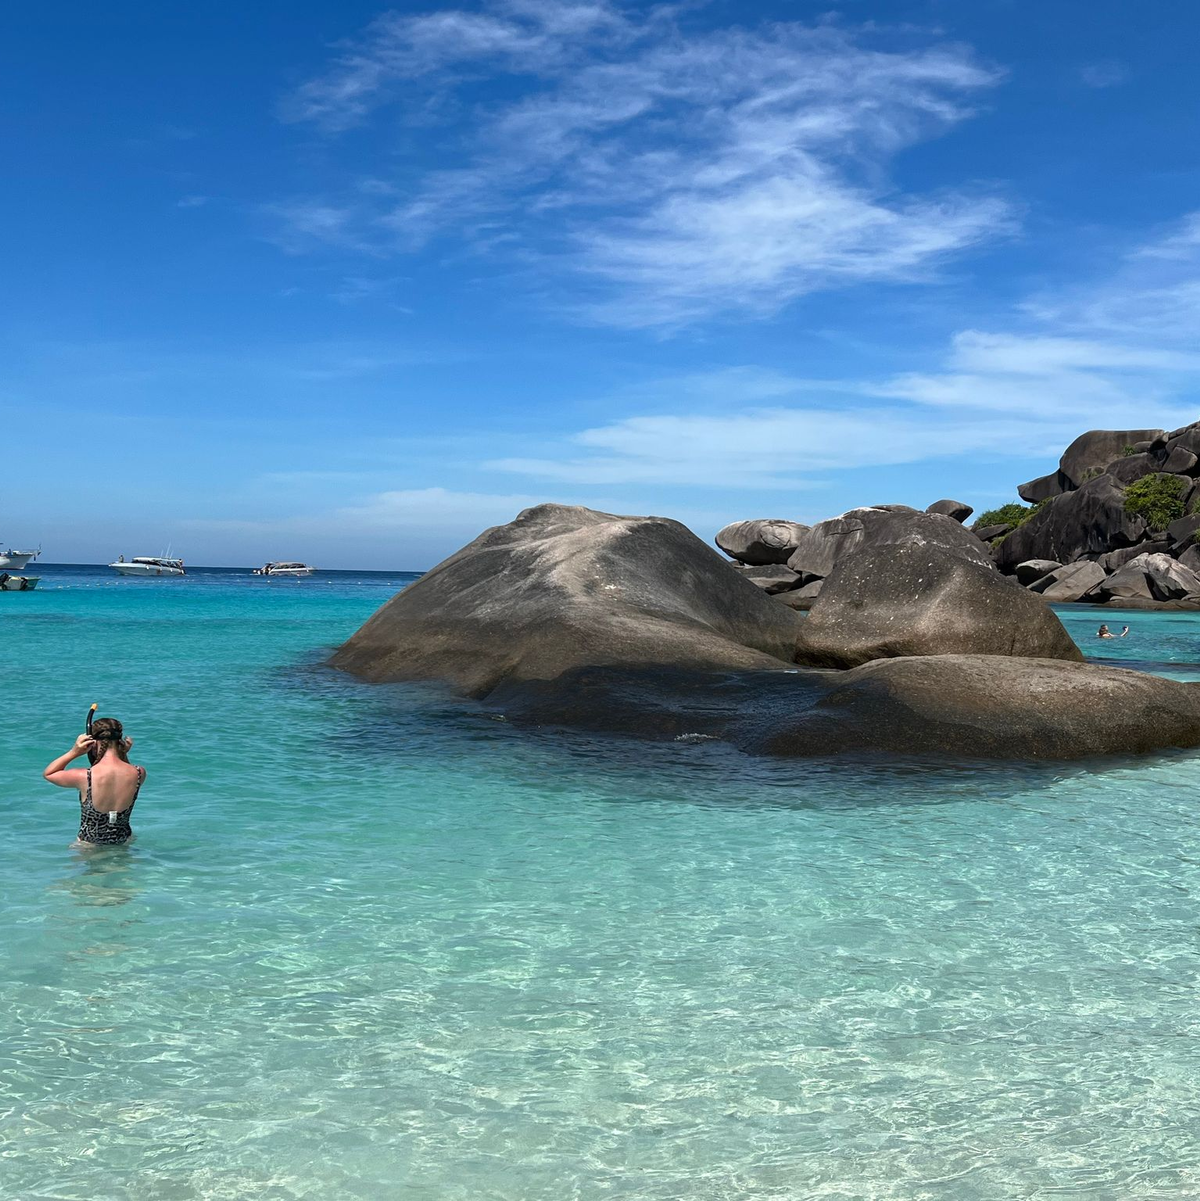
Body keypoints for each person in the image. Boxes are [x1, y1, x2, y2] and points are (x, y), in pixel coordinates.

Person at [42, 717, 146, 848]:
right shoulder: (138, 773)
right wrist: (123, 754)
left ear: (93, 742)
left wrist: (74, 752)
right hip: (124, 840)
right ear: (120, 741)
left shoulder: (85, 776)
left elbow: (49, 773)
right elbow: (123, 773)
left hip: (89, 845)